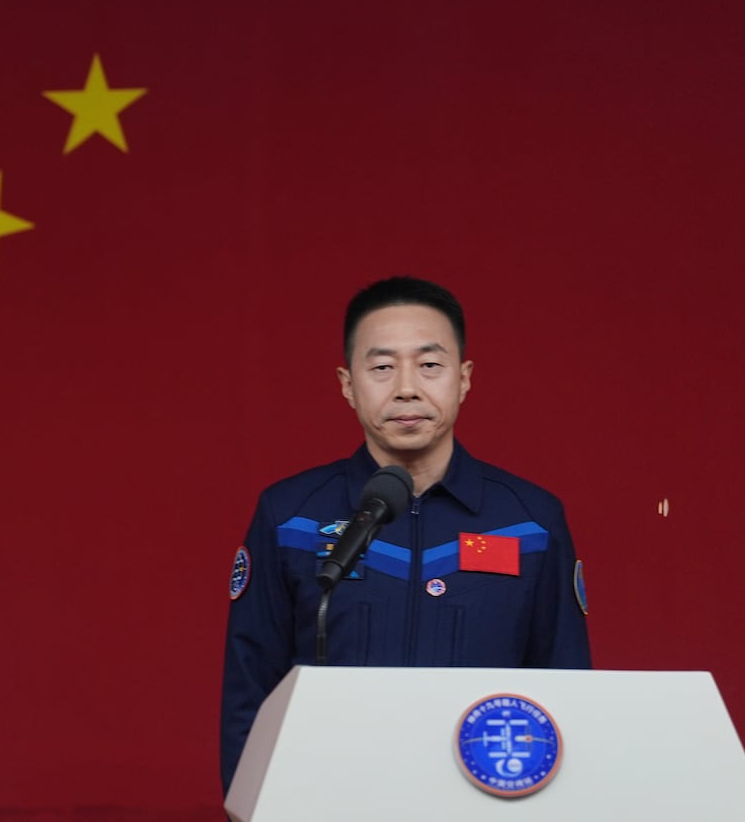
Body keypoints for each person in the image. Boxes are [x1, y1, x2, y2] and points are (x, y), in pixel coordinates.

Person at [219, 277, 589, 790]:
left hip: (487, 801)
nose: (407, 387)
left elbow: (568, 693)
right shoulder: (290, 517)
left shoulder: (530, 522)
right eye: (382, 367)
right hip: (330, 801)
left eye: (430, 365)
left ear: (464, 378)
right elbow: (249, 691)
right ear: (348, 384)